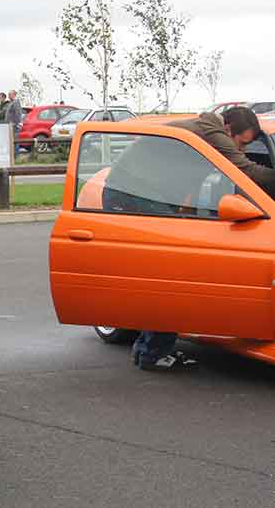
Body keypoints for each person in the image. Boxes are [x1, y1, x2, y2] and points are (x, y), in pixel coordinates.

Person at [108, 107, 267, 372]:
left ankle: (148, 349)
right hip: (132, 194)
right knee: (172, 274)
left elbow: (193, 179)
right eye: (241, 143)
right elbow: (244, 170)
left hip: (135, 192)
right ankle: (152, 353)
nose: (240, 150)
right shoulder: (211, 132)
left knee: (163, 275)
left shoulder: (201, 132)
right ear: (228, 129)